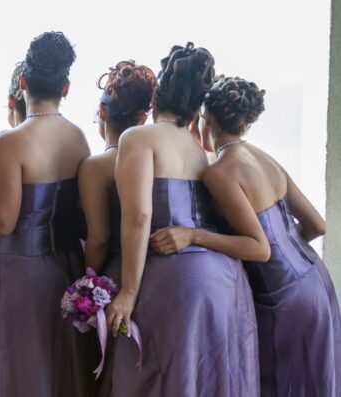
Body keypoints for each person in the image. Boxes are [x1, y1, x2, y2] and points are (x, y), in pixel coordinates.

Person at [150, 76, 341, 396]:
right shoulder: (264, 158)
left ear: (206, 117)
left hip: (284, 299)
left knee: (283, 385)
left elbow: (260, 249)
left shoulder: (219, 172)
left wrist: (192, 235)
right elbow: (316, 225)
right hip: (316, 281)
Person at [104, 43, 259, 396]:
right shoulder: (201, 152)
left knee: (156, 376)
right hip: (222, 279)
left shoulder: (138, 137)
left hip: (173, 279)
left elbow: (139, 214)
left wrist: (128, 291)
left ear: (157, 91)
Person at [0, 32, 91, 396]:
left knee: (21, 365)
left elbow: (2, 222)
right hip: (66, 264)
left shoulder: (10, 142)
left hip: (20, 272)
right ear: (67, 87)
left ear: (22, 81)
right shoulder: (79, 138)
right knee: (59, 366)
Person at [77, 60, 156, 396]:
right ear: (142, 118)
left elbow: (99, 237)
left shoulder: (96, 167)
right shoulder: (157, 155)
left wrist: (87, 282)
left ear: (102, 112)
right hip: (155, 276)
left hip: (116, 279)